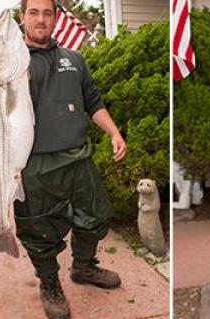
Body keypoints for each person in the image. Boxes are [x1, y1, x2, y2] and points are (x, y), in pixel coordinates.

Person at [16, 1, 127, 318]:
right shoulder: (14, 63)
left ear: (55, 18)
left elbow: (93, 101)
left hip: (78, 158)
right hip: (35, 166)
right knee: (40, 233)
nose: (41, 19)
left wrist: (115, 133)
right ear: (22, 17)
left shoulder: (74, 59)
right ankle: (49, 283)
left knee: (97, 215)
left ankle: (82, 267)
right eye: (34, 12)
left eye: (47, 13)